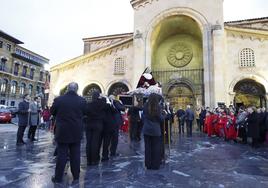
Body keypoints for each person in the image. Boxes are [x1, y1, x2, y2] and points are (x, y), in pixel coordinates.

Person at [50, 82, 87, 183]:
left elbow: (52, 111)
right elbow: (86, 113)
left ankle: (58, 177)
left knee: (61, 155)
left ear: (67, 88)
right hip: (76, 131)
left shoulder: (59, 99)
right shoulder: (82, 100)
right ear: (77, 89)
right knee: (75, 155)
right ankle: (76, 177)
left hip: (62, 131)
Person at [142, 93, 165, 170]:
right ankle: (155, 165)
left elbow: (143, 116)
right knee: (156, 148)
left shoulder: (145, 105)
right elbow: (161, 119)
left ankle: (148, 164)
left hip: (146, 129)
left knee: (147, 148)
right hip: (155, 130)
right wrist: (164, 116)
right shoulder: (158, 107)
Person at [86, 91, 108, 166]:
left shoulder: (88, 105)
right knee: (95, 142)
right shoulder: (101, 103)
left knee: (88, 142)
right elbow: (105, 101)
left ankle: (89, 160)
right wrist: (101, 97)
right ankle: (94, 160)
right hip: (98, 124)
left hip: (89, 124)